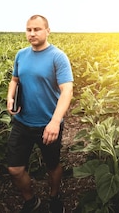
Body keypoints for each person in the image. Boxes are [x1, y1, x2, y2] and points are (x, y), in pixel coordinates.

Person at [7, 15, 74, 213]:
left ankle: (54, 197)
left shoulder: (57, 57)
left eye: (37, 29)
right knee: (15, 169)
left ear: (47, 31)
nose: (32, 33)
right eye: (29, 29)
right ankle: (31, 201)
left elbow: (67, 91)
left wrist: (55, 122)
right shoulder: (21, 55)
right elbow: (14, 80)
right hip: (22, 122)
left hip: (48, 124)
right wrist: (10, 97)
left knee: (52, 166)